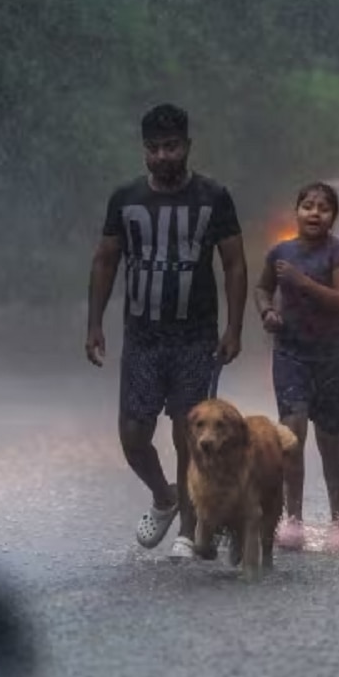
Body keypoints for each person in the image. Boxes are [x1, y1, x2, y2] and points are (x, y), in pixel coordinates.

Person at [85, 103, 248, 561]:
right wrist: (95, 322)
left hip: (195, 334)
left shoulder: (213, 197)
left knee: (189, 432)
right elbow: (105, 259)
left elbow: (233, 262)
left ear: (187, 147)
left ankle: (191, 529)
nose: (162, 156)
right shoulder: (126, 198)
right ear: (144, 152)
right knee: (134, 435)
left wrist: (234, 328)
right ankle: (165, 496)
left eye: (171, 146)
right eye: (153, 149)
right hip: (143, 334)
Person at [254, 182, 339, 552]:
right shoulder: (280, 252)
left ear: (333, 217)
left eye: (324, 208)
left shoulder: (338, 253)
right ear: (296, 211)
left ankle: (338, 519)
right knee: (292, 438)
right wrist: (267, 311)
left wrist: (302, 282)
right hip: (290, 355)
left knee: (330, 441)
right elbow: (262, 288)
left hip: (329, 359)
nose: (315, 213)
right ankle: (292, 519)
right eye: (308, 206)